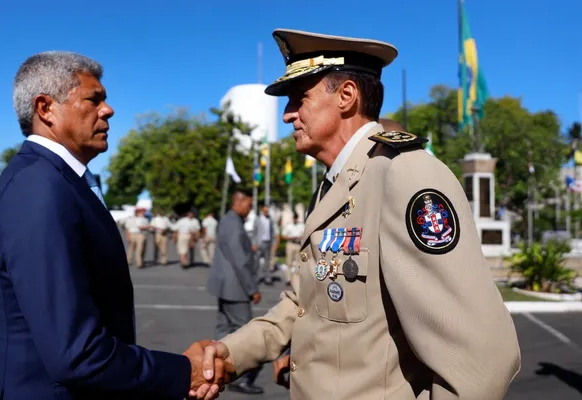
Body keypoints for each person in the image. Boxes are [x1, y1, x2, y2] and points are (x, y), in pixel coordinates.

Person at [197, 29, 521, 400]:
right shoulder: (332, 186)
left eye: (299, 98)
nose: (287, 115)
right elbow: (303, 303)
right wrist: (231, 353)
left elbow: (482, 360)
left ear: (346, 96)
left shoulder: (402, 173)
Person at [0, 51, 229, 400]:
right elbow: (76, 354)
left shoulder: (60, 182)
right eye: (93, 100)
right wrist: (184, 372)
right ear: (45, 108)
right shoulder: (39, 187)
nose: (108, 110)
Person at [205, 188, 264, 395]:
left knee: (224, 330)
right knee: (245, 333)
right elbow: (240, 261)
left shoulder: (229, 220)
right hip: (235, 287)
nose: (250, 209)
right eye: (248, 204)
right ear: (238, 201)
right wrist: (252, 289)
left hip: (225, 286)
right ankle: (241, 378)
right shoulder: (234, 224)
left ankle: (217, 371)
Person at [252, 204, 275, 285]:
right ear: (262, 210)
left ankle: (267, 277)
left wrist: (273, 242)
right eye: (265, 211)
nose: (266, 212)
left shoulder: (270, 220)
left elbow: (272, 232)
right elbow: (254, 232)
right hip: (259, 243)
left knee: (267, 261)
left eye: (267, 211)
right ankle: (256, 277)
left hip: (267, 242)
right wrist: (254, 243)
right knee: (257, 261)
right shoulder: (257, 219)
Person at [280, 213, 304, 285]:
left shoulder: (301, 226)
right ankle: (288, 279)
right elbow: (283, 236)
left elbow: (304, 235)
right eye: (294, 218)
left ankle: (296, 279)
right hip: (291, 243)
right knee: (289, 262)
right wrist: (291, 238)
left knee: (297, 262)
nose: (295, 220)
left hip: (298, 244)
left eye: (296, 218)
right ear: (293, 218)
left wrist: (300, 237)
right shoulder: (289, 226)